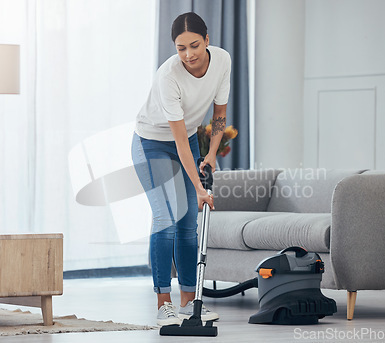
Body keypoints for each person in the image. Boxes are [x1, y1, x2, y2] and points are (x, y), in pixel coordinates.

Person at [131, 12, 231, 326]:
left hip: (186, 139)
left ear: (207, 41)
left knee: (188, 222)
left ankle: (189, 302)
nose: (188, 54)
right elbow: (178, 140)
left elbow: (219, 115)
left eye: (194, 45)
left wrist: (212, 154)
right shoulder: (169, 76)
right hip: (152, 143)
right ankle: (164, 303)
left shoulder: (222, 61)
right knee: (166, 217)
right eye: (181, 48)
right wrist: (200, 188)